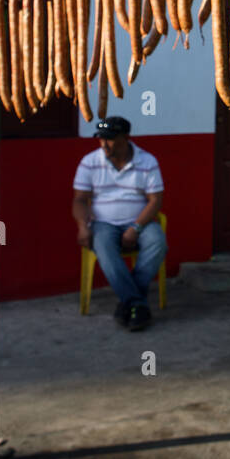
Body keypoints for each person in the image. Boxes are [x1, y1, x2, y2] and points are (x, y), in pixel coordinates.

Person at [72, 116, 167, 330]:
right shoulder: (90, 161)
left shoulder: (147, 161)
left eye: (110, 139)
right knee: (103, 245)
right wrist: (81, 226)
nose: (104, 144)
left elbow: (155, 200)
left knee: (157, 241)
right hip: (103, 223)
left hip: (139, 221)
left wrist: (136, 228)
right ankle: (137, 304)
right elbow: (79, 199)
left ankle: (129, 302)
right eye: (101, 139)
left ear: (126, 138)